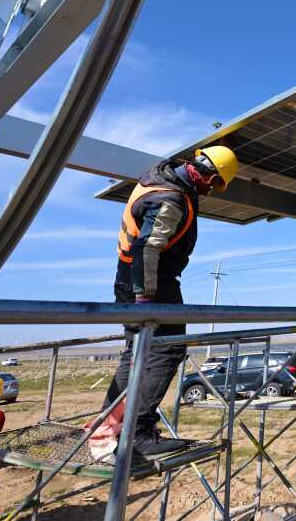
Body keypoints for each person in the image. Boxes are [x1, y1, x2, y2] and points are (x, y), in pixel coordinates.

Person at [103, 146, 238, 458]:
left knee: (136, 352)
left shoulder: (158, 178)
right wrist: (145, 298)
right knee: (169, 348)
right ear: (210, 176)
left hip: (128, 277)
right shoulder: (172, 199)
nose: (210, 191)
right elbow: (147, 247)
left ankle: (108, 426)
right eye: (215, 184)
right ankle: (137, 432)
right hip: (150, 282)